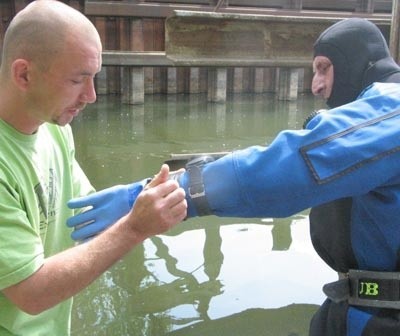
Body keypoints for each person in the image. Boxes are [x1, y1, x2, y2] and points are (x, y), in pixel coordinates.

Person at [67, 18, 400, 335]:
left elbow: (292, 170)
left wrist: (171, 193)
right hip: (362, 301)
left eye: (324, 68)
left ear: (356, 61)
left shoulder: (392, 112)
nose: (316, 86)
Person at [0, 1, 187, 335]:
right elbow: (30, 291)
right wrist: (135, 228)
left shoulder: (55, 127)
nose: (92, 95)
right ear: (24, 74)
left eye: (94, 78)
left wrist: (142, 199)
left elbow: (86, 213)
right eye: (77, 80)